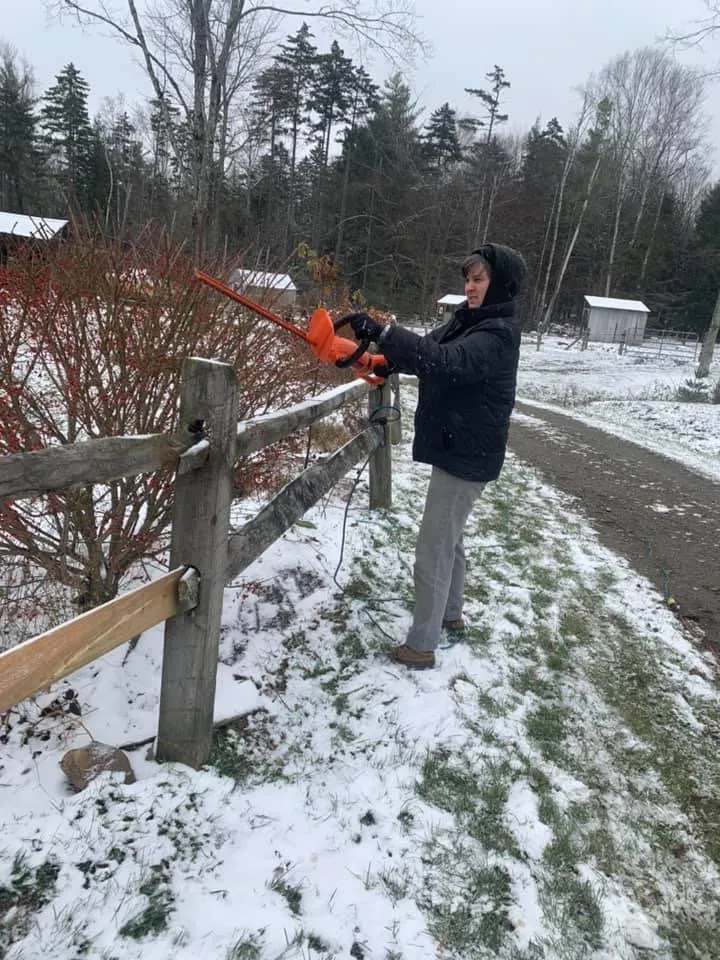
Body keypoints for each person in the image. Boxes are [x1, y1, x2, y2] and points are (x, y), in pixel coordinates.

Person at [344, 243, 527, 669]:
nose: (471, 287)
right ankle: (451, 615)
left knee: (433, 546)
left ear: (500, 283)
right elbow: (426, 353)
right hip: (459, 446)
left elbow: (448, 362)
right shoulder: (468, 320)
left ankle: (421, 646)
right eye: (468, 279)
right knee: (451, 538)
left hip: (468, 453)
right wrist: (383, 359)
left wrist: (386, 331)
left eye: (479, 279)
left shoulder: (497, 333)